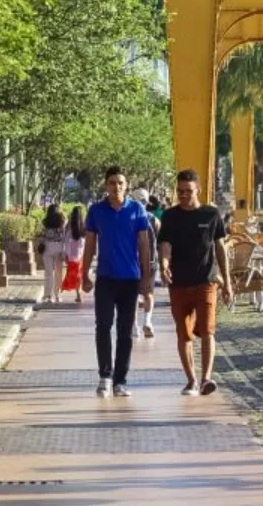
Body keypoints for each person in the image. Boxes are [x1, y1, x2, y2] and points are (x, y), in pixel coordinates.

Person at [158, 169, 233, 396]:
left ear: (198, 190)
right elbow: (165, 245)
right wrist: (164, 265)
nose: (183, 195)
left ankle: (206, 378)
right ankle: (191, 379)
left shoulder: (211, 215)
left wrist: (227, 282)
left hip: (206, 282)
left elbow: (220, 248)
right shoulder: (170, 216)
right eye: (179, 191)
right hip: (179, 284)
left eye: (188, 191)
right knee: (184, 333)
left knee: (208, 330)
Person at [82, 166, 152, 398]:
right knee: (103, 326)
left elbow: (144, 244)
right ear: (106, 185)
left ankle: (121, 380)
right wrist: (84, 274)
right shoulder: (96, 211)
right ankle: (105, 376)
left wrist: (146, 277)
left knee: (125, 331)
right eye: (112, 183)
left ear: (126, 186)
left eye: (120, 183)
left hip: (130, 279)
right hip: (105, 278)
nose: (116, 187)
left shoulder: (137, 210)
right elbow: (90, 245)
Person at [132, 202, 159, 339]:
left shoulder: (130, 217)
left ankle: (134, 326)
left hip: (132, 262)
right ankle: (147, 321)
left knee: (134, 295)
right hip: (151, 262)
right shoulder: (154, 219)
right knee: (148, 292)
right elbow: (160, 242)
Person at [38, 204, 67, 303]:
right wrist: (64, 250)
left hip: (47, 247)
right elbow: (64, 237)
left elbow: (41, 236)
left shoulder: (44, 222)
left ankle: (48, 295)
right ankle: (57, 295)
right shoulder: (62, 221)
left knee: (48, 272)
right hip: (59, 247)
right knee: (59, 273)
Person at [62, 206, 87, 304]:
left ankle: (78, 294)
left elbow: (66, 243)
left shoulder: (69, 228)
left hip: (71, 256)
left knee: (73, 275)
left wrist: (66, 255)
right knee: (78, 275)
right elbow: (85, 244)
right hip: (81, 256)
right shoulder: (84, 229)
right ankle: (78, 294)